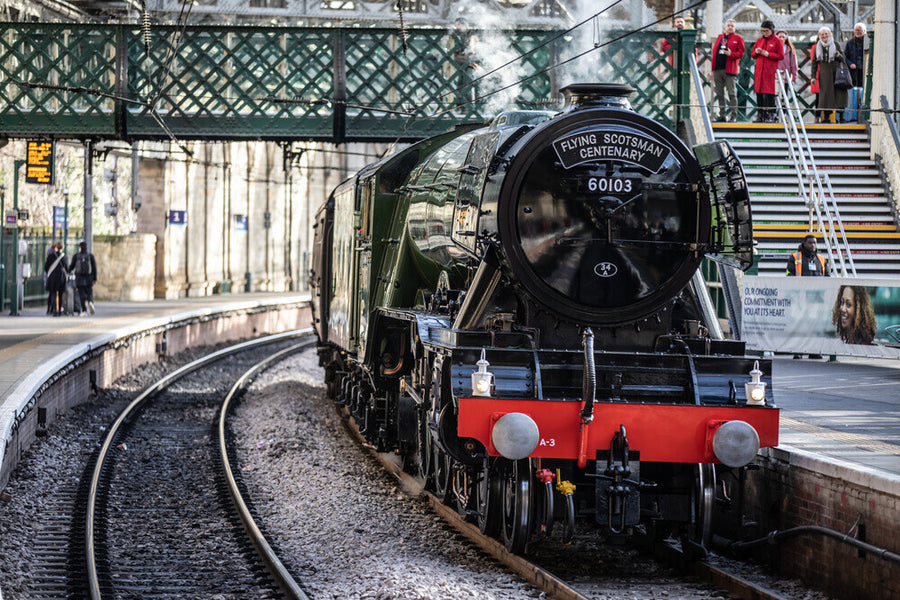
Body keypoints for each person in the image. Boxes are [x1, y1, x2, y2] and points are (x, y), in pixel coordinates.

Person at [811, 27, 847, 124]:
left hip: (836, 74)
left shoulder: (836, 44)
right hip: (824, 74)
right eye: (822, 34)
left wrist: (837, 54)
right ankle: (826, 118)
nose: (824, 36)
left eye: (826, 34)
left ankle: (841, 117)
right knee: (825, 96)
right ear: (819, 36)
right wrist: (813, 76)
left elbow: (843, 59)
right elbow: (814, 62)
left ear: (829, 34)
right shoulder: (818, 47)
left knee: (839, 95)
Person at [711, 19, 745, 122]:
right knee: (720, 93)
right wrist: (712, 69)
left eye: (732, 26)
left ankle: (733, 115)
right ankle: (722, 115)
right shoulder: (720, 37)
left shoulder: (738, 38)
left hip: (730, 69)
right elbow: (714, 52)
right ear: (725, 27)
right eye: (728, 25)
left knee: (731, 93)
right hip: (718, 68)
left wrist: (731, 54)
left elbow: (741, 53)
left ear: (735, 28)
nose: (730, 27)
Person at [751, 20, 784, 123]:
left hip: (770, 72)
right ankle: (760, 115)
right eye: (763, 31)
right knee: (759, 94)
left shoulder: (777, 41)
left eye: (766, 31)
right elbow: (752, 54)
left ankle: (771, 115)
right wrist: (756, 52)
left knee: (769, 94)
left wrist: (767, 54)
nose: (764, 33)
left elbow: (781, 56)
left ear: (772, 30)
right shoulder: (759, 40)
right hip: (759, 72)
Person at [69, 241, 97, 316]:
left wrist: (67, 270)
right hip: (89, 277)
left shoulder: (76, 256)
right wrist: (95, 278)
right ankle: (90, 301)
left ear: (80, 248)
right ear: (86, 248)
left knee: (81, 294)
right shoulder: (90, 256)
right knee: (89, 292)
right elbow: (94, 267)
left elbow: (71, 266)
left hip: (79, 278)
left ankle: (84, 310)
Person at [44, 242, 68, 316]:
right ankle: (59, 309)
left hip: (53, 277)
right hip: (61, 276)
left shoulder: (51, 256)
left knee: (54, 293)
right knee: (60, 294)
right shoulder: (64, 257)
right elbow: (67, 267)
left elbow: (46, 267)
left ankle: (55, 310)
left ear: (56, 247)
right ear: (62, 248)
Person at [843, 22, 868, 89]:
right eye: (856, 30)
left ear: (864, 31)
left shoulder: (868, 42)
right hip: (853, 72)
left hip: (865, 71)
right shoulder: (850, 43)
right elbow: (845, 57)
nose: (857, 32)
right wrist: (850, 64)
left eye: (859, 30)